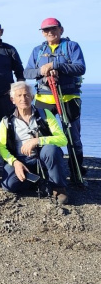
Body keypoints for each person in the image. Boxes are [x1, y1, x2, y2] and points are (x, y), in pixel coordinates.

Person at [24, 18, 86, 170]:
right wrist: (41, 70)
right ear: (43, 33)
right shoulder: (37, 51)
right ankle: (47, 168)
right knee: (42, 135)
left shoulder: (71, 47)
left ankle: (76, 169)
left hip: (68, 98)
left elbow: (80, 68)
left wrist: (56, 65)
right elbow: (27, 72)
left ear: (61, 30)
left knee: (73, 136)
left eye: (53, 29)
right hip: (44, 99)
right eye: (46, 30)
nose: (50, 32)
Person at [0, 82, 69, 204]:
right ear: (12, 100)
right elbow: (1, 148)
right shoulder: (6, 121)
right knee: (9, 186)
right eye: (19, 95)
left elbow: (63, 140)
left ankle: (59, 187)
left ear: (32, 97)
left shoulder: (45, 114)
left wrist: (38, 140)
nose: (23, 99)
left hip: (41, 157)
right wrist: (15, 163)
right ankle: (38, 180)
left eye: (26, 95)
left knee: (51, 149)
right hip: (20, 160)